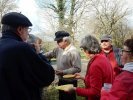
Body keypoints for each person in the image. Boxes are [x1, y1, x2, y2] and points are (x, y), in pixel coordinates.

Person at [0, 12, 55, 100]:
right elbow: (47, 76)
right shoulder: (21, 47)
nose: (28, 34)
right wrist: (38, 53)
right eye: (27, 30)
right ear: (20, 29)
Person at [65, 35, 113, 100]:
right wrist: (83, 78)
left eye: (83, 49)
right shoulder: (102, 57)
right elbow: (98, 81)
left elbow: (95, 92)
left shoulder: (96, 64)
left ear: (87, 50)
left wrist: (75, 89)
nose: (83, 52)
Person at [44, 31, 81, 100]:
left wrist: (63, 72)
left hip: (70, 82)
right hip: (61, 80)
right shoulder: (58, 49)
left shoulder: (74, 52)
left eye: (59, 41)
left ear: (66, 41)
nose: (57, 43)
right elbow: (49, 54)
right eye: (57, 41)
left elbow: (78, 68)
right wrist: (37, 55)